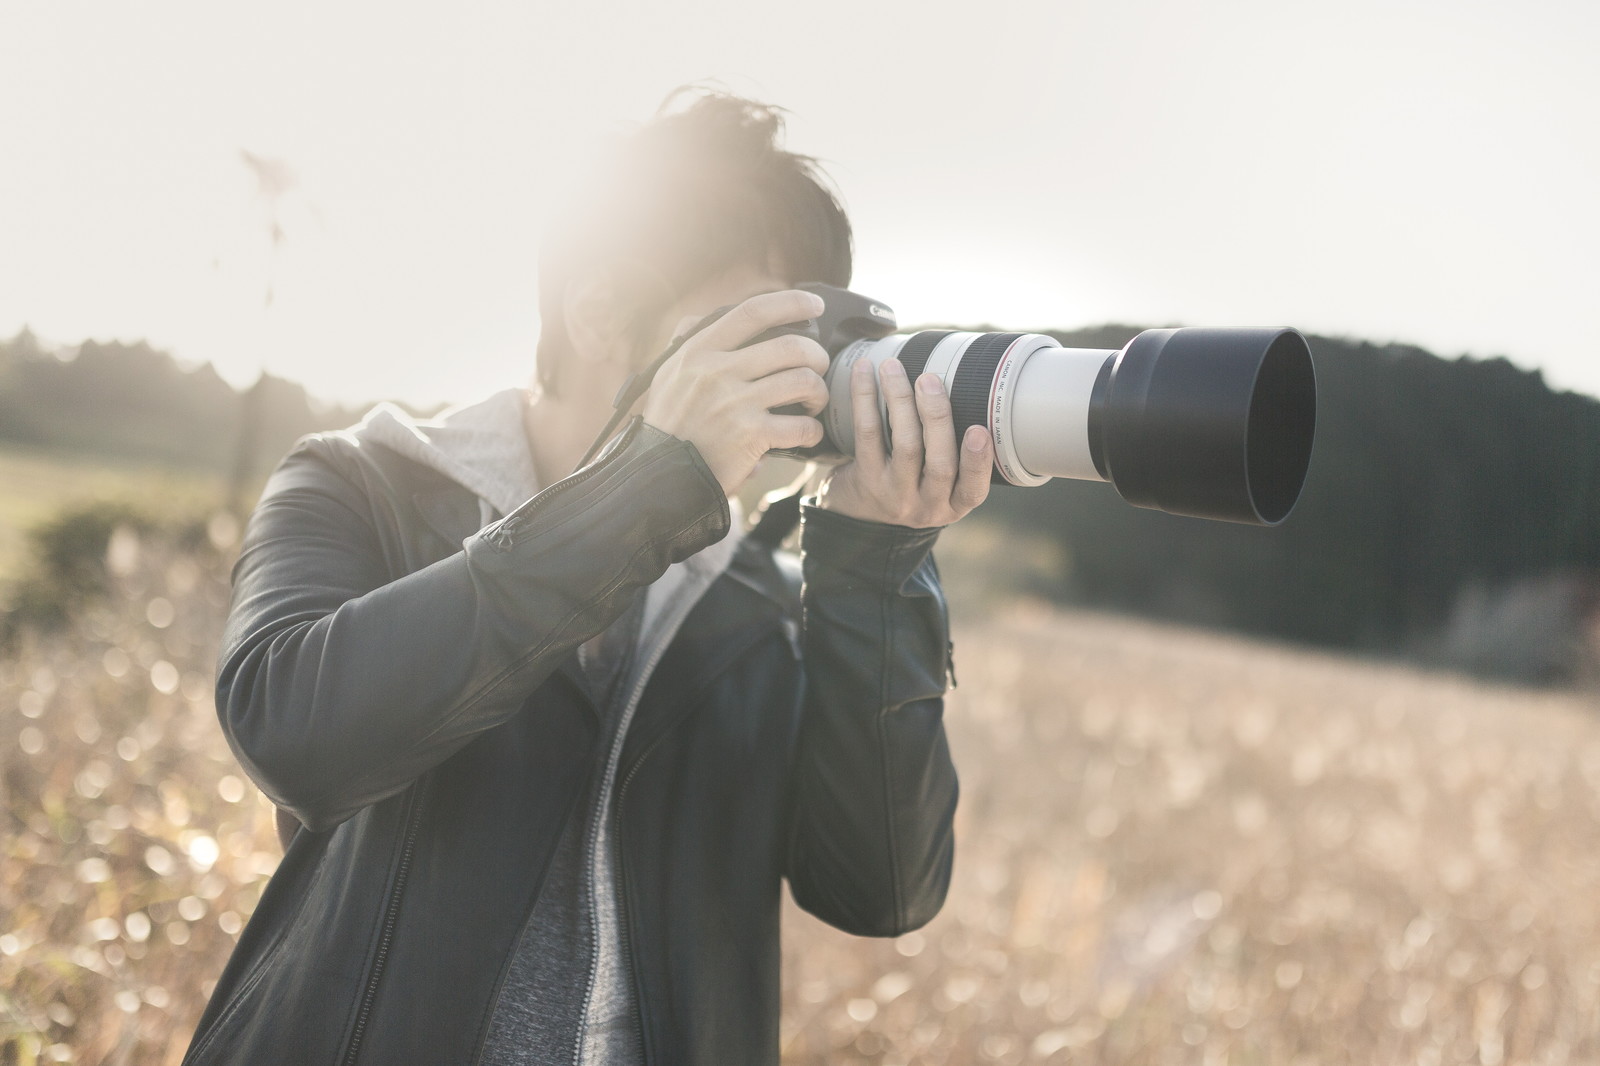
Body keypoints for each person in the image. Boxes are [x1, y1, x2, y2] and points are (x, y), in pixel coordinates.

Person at [182, 88, 994, 1066]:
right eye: (749, 332)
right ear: (602, 312)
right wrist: (643, 493)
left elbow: (881, 891)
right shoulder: (364, 484)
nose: (790, 375)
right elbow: (295, 734)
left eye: (805, 339)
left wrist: (873, 568)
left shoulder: (760, 595)